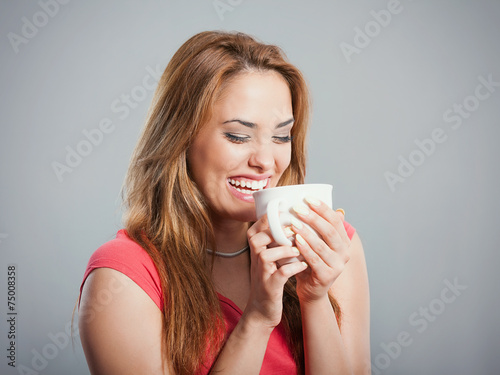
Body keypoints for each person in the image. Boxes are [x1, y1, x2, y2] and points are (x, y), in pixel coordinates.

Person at [78, 30, 370, 375]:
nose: (266, 160)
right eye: (237, 135)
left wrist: (315, 298)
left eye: (281, 136)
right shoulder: (124, 276)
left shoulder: (333, 248)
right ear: (181, 138)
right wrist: (257, 319)